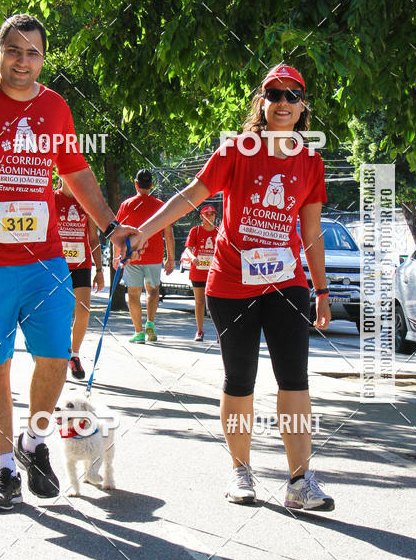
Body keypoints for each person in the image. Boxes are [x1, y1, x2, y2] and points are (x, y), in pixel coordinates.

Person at [0, 13, 143, 514]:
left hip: (44, 260)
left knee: (55, 358)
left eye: (33, 53)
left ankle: (33, 439)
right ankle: (5, 469)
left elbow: (76, 173)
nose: (23, 62)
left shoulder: (55, 108)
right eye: (14, 51)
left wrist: (112, 227)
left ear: (43, 59)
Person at [137, 64, 335, 511]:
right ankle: (240, 471)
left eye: (292, 95)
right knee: (240, 379)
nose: (282, 102)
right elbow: (192, 195)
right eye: (274, 94)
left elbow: (312, 230)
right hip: (231, 283)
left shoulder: (311, 160)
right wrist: (143, 231)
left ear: (303, 105)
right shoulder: (237, 149)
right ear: (261, 104)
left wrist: (321, 291)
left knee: (295, 381)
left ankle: (300, 482)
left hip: (286, 284)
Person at [114, 168, 175, 343]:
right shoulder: (160, 205)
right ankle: (150, 322)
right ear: (152, 185)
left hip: (132, 256)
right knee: (153, 290)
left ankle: (139, 332)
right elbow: (168, 233)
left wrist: (116, 256)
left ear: (136, 184)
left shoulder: (127, 204)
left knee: (133, 294)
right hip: (154, 256)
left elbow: (117, 232)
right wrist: (171, 258)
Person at [54, 181, 105, 380]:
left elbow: (93, 238)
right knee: (60, 315)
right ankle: (57, 355)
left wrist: (99, 270)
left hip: (81, 265)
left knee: (83, 312)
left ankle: (74, 355)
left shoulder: (86, 201)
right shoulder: (51, 198)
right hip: (56, 266)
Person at [182, 205, 218, 341]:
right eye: (206, 214)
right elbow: (188, 249)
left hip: (214, 273)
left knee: (215, 303)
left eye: (212, 214)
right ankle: (199, 331)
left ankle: (219, 332)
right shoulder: (195, 230)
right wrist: (192, 258)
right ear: (201, 216)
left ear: (215, 216)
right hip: (198, 272)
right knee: (199, 302)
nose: (209, 216)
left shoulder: (219, 232)